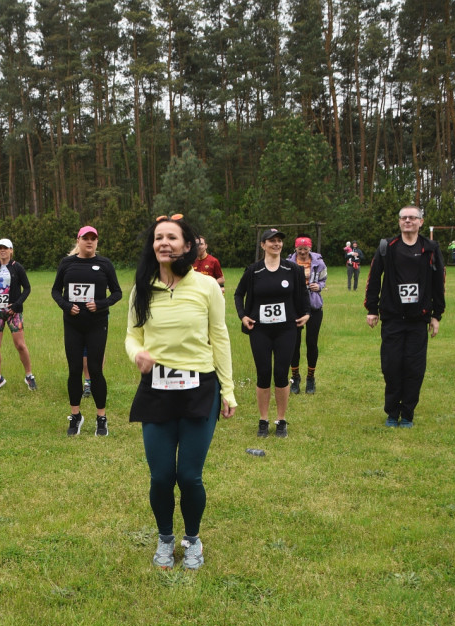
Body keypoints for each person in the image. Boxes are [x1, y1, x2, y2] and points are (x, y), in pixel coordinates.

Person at [126, 214, 236, 570]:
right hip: (156, 389)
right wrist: (136, 353)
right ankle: (164, 538)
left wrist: (229, 391)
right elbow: (132, 334)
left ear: (187, 246)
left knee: (189, 475)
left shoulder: (205, 287)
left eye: (172, 237)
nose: (164, 243)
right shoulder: (142, 286)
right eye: (159, 237)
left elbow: (219, 336)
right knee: (160, 476)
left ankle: (192, 540)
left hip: (199, 389)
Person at [364, 206, 446, 427]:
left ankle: (407, 413)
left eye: (412, 218)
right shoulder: (387, 248)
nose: (408, 221)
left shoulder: (430, 249)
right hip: (392, 318)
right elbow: (373, 279)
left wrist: (436, 315)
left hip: (418, 320)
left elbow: (439, 283)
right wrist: (372, 309)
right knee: (391, 366)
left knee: (414, 368)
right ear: (399, 222)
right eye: (404, 218)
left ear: (421, 222)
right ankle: (392, 412)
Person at [234, 228, 310, 438]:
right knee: (264, 373)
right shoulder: (254, 270)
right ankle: (263, 420)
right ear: (263, 245)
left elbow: (303, 294)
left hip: (286, 330)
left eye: (279, 241)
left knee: (281, 374)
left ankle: (281, 420)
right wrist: (243, 316)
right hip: (260, 330)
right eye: (271, 241)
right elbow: (239, 294)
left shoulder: (292, 269)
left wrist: (307, 314)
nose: (276, 244)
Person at [52, 226, 122, 436]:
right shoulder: (67, 263)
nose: (89, 242)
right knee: (74, 369)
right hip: (72, 324)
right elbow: (56, 291)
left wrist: (100, 304)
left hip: (96, 323)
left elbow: (117, 293)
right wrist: (66, 305)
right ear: (79, 240)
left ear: (97, 242)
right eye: (86, 238)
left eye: (93, 239)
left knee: (95, 369)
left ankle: (101, 418)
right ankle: (76, 416)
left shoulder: (104, 264)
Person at [0, 238, 37, 392]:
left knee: (20, 345)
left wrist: (17, 304)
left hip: (13, 312)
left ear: (11, 250)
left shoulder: (17, 268)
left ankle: (29, 376)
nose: (2, 250)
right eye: (0, 248)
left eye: (5, 248)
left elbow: (27, 288)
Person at [287, 235, 327, 395]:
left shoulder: (319, 262)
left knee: (312, 343)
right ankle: (295, 377)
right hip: (294, 307)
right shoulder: (289, 263)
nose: (303, 252)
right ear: (295, 249)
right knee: (293, 344)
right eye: (300, 249)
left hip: (314, 306)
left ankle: (311, 378)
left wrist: (319, 285)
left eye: (305, 249)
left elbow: (323, 279)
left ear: (310, 249)